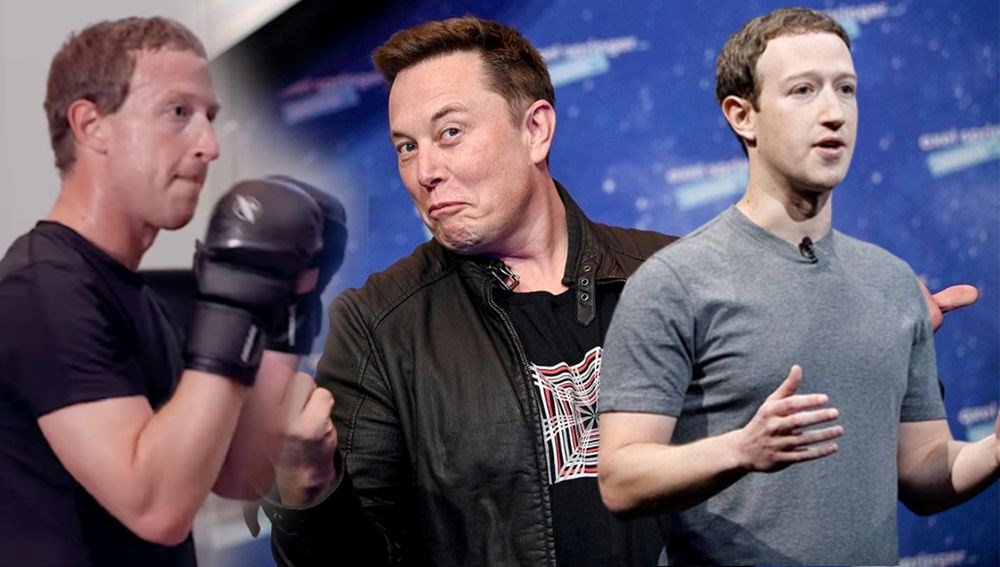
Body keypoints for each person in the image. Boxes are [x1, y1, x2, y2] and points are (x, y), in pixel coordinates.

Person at [261, 16, 676, 567]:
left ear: (535, 130)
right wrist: (308, 483)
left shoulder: (671, 277)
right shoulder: (378, 330)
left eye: (450, 133)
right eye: (406, 147)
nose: (424, 171)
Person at [597, 7, 998, 566]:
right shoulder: (675, 282)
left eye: (846, 89)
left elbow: (923, 470)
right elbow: (620, 478)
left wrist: (994, 450)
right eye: (803, 91)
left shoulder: (892, 280)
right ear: (743, 116)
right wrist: (741, 449)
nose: (834, 113)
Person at [0, 17, 343, 566]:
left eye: (210, 118)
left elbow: (239, 474)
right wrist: (238, 298)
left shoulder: (133, 294)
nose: (209, 145)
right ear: (91, 125)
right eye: (178, 112)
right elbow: (156, 507)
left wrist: (289, 300)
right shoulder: (44, 287)